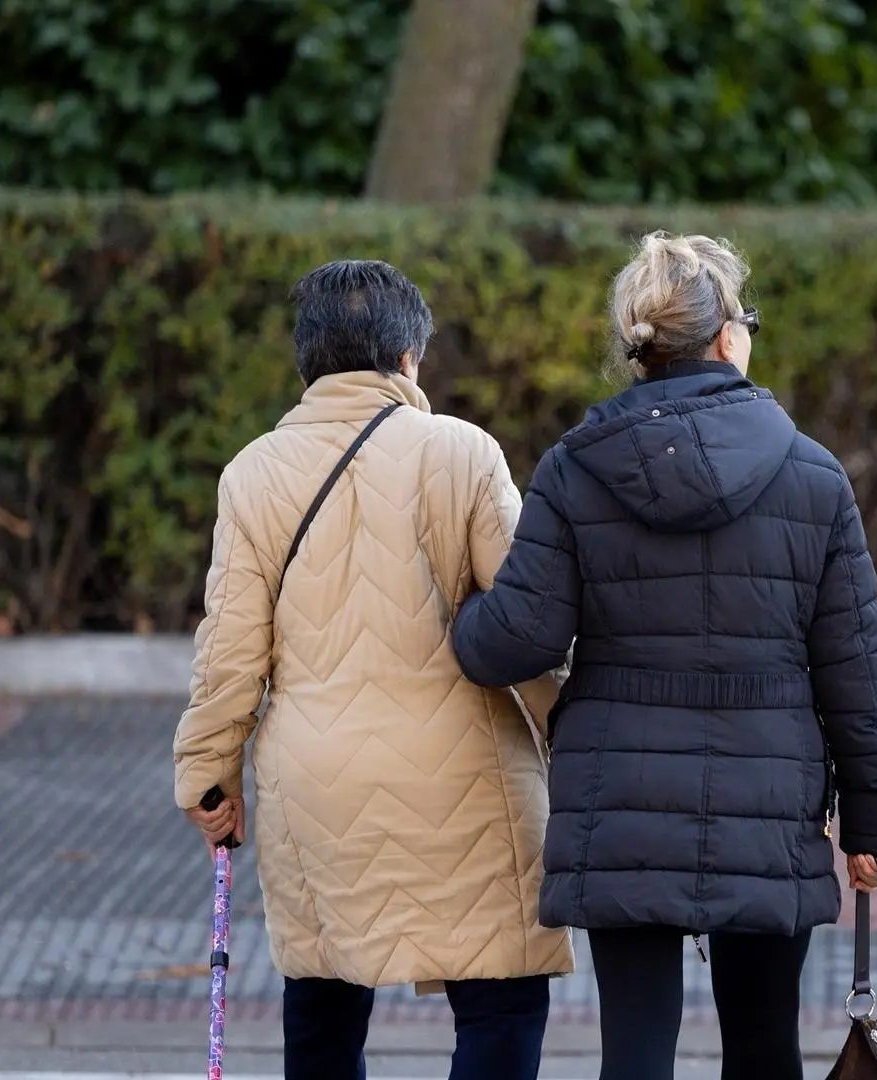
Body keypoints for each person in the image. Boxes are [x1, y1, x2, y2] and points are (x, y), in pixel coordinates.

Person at [451, 232, 877, 1080]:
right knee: (765, 1047)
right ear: (729, 338)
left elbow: (519, 638)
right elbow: (856, 672)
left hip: (620, 797)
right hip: (769, 798)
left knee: (634, 1052)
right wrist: (874, 825)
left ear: (641, 347)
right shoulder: (813, 477)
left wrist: (459, 613)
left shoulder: (574, 469)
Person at [172, 260, 572, 1080]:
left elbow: (230, 651)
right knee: (500, 996)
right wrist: (574, 731)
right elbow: (527, 626)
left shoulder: (252, 473)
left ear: (307, 360)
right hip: (466, 775)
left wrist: (209, 775)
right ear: (408, 356)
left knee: (324, 999)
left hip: (316, 783)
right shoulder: (463, 453)